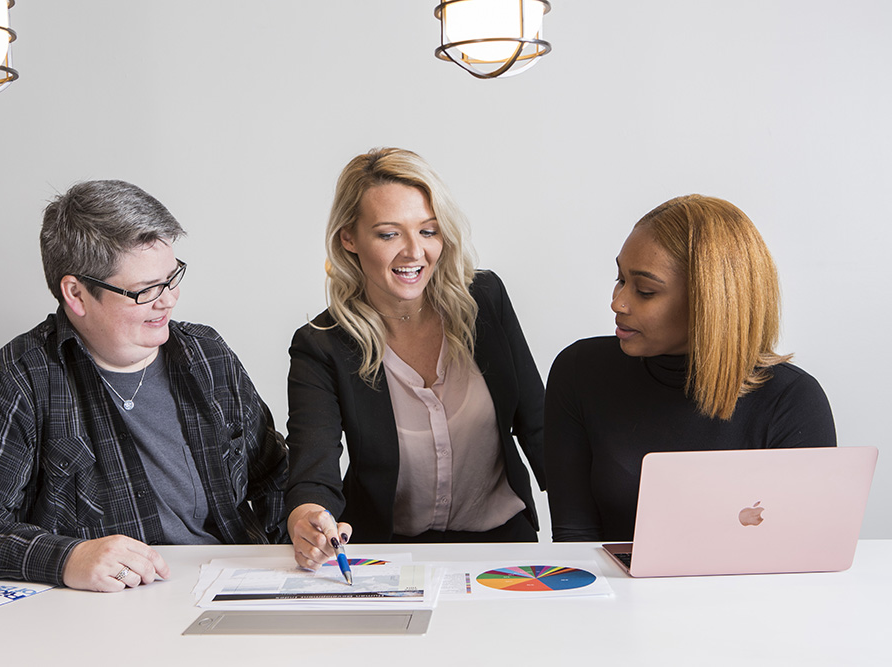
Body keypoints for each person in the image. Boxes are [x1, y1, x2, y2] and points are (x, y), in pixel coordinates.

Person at [0, 180, 288, 591]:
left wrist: (300, 534)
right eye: (145, 290)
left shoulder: (206, 356)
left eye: (172, 277)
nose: (168, 300)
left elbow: (276, 476)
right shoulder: (21, 378)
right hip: (106, 611)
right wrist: (66, 558)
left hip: (228, 589)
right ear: (76, 294)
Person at [285, 147, 546, 570]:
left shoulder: (486, 301)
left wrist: (586, 535)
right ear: (348, 237)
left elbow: (538, 425)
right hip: (387, 556)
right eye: (389, 234)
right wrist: (308, 520)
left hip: (504, 549)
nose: (414, 252)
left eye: (428, 231)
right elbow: (314, 468)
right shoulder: (322, 345)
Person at [544, 194, 837, 542]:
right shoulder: (580, 372)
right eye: (620, 278)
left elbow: (807, 552)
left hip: (749, 595)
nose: (617, 302)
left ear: (710, 302)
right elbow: (574, 540)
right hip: (614, 594)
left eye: (646, 290)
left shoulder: (792, 401)